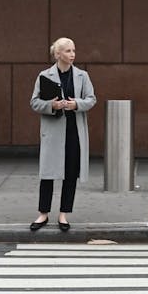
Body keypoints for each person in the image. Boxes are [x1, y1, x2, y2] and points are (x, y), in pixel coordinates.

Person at [29, 37, 96, 232]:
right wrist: (52, 105)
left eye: (73, 50)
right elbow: (34, 102)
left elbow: (91, 99)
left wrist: (76, 104)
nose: (72, 54)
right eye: (67, 51)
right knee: (48, 174)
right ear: (57, 54)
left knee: (71, 174)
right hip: (53, 132)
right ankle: (43, 213)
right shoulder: (45, 75)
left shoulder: (83, 76)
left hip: (74, 130)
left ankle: (64, 214)